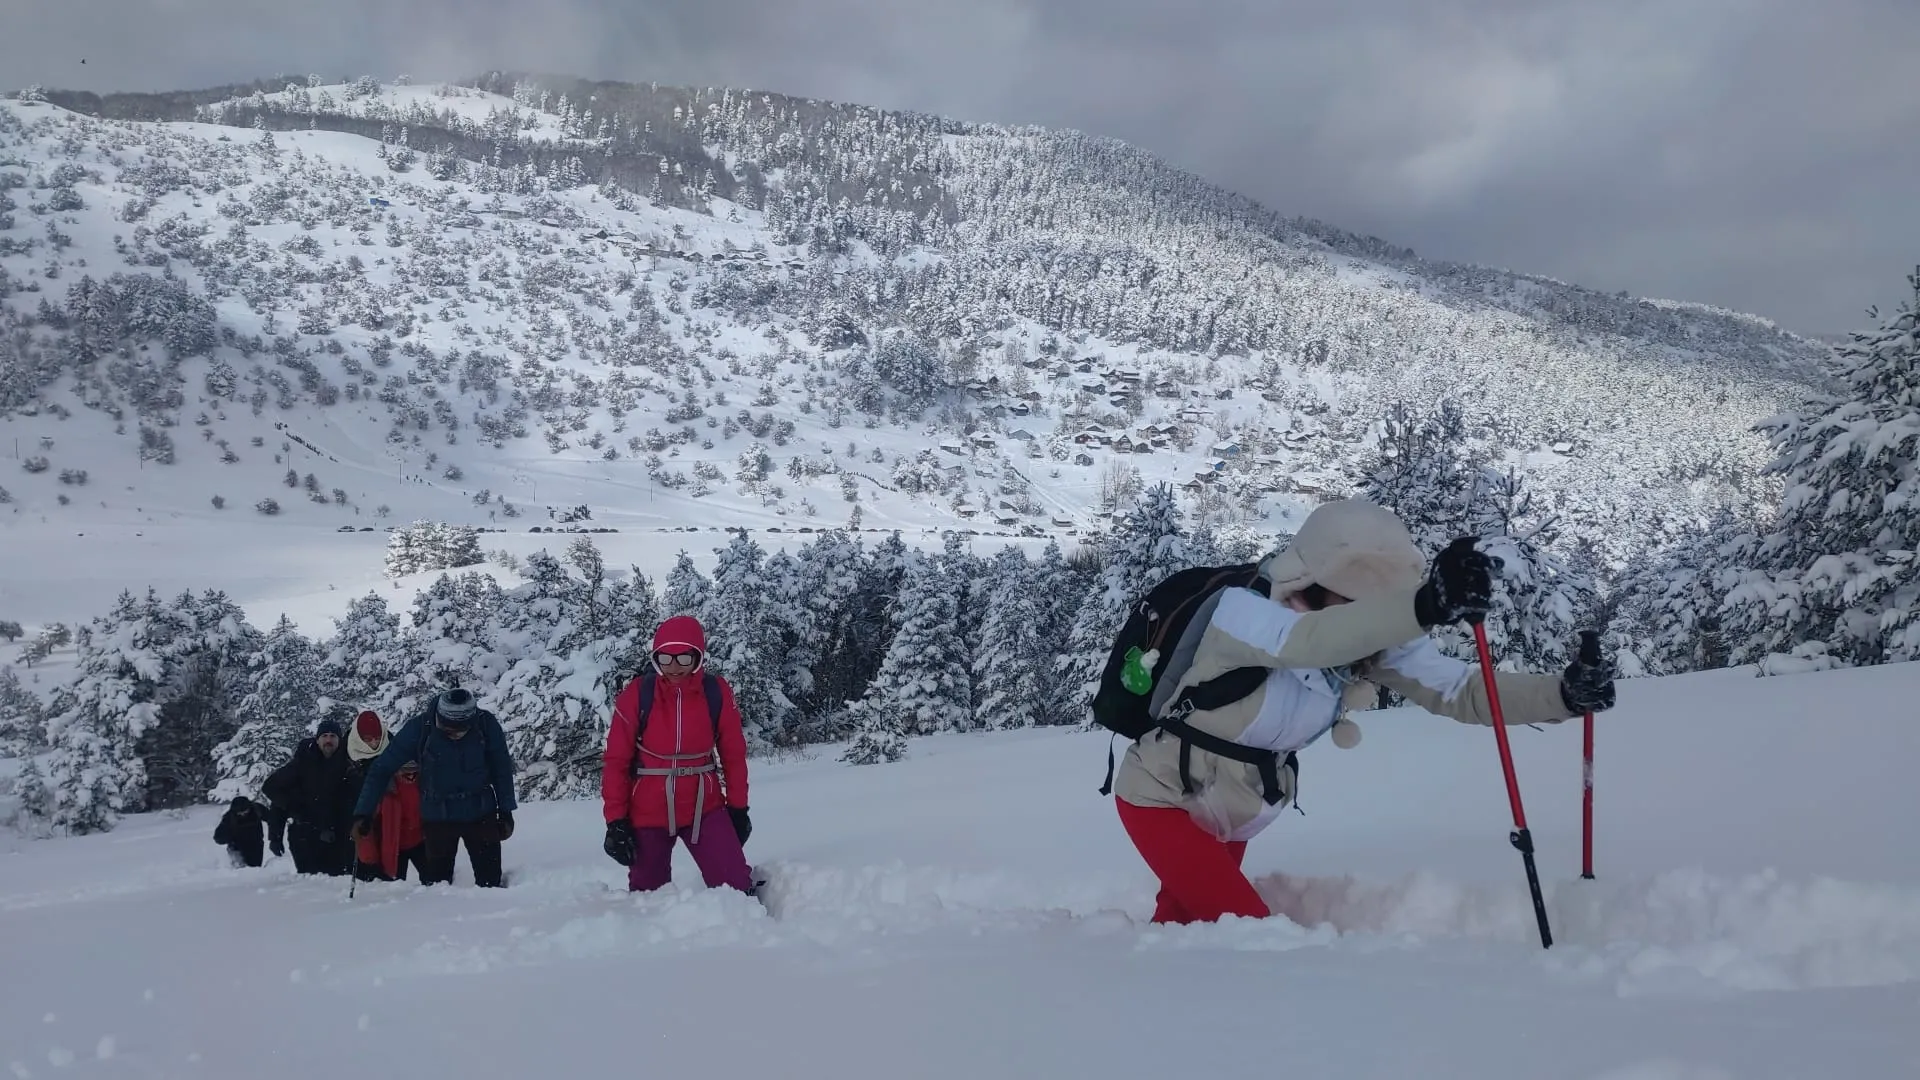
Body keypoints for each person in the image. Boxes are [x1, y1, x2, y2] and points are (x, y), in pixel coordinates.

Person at [1108, 499, 1618, 925]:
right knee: (1248, 932)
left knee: (1182, 932)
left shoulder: (1363, 639)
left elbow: (1463, 691)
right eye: (1351, 600)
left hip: (1236, 812)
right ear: (1309, 578)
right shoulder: (1243, 612)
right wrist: (1425, 607)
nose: (1361, 613)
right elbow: (1309, 643)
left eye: (1372, 604)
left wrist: (1564, 696)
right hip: (1162, 797)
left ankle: (1162, 1023)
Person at [600, 614, 755, 895]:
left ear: (698, 657)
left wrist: (738, 808)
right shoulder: (637, 694)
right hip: (648, 811)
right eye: (665, 658)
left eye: (684, 658)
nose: (674, 667)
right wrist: (616, 821)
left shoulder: (715, 692)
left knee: (736, 889)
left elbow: (733, 755)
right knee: (648, 900)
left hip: (704, 807)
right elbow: (616, 762)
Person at [352, 689, 516, 888]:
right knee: (437, 888)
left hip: (480, 813)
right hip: (438, 817)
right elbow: (381, 769)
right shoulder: (419, 729)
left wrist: (506, 811)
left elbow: (502, 769)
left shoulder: (485, 725)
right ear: (439, 716)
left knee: (490, 883)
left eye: (461, 730)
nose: (455, 735)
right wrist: (363, 813)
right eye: (448, 729)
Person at [262, 719, 358, 876]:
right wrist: (275, 835)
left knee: (337, 885)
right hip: (306, 838)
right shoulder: (303, 762)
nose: (328, 740)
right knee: (310, 887)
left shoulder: (349, 762)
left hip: (341, 838)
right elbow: (272, 789)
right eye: (324, 736)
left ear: (339, 740)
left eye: (333, 736)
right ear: (317, 739)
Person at [345, 710, 426, 883]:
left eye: (377, 738)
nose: (374, 743)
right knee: (391, 888)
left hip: (413, 833)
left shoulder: (396, 751)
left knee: (436, 884)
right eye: (368, 739)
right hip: (385, 838)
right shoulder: (347, 762)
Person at [212, 796, 266, 868]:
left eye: (245, 811)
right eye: (240, 813)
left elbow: (272, 818)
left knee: (255, 870)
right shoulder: (229, 817)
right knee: (240, 871)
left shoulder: (257, 809)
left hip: (256, 845)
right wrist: (229, 837)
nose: (243, 814)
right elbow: (218, 837)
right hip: (237, 848)